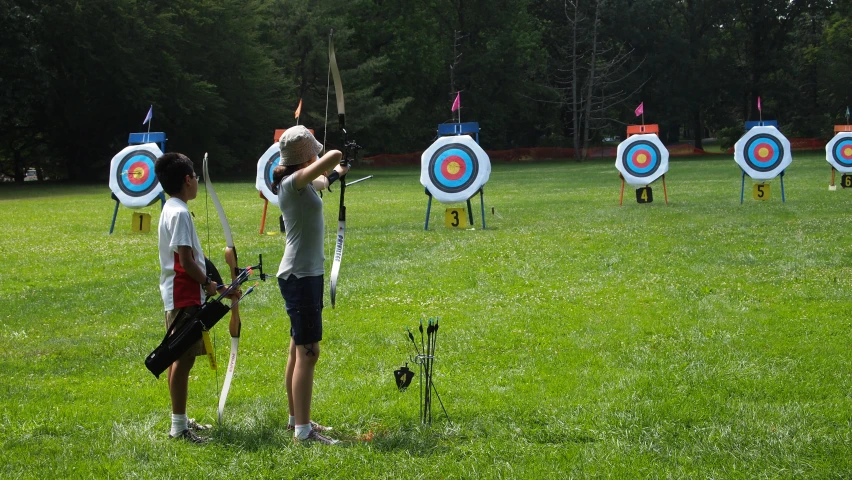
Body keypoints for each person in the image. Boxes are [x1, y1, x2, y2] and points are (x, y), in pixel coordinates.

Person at [272, 126, 349, 445]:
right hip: (300, 276)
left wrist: (338, 174)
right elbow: (331, 157)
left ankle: (296, 421)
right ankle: (304, 433)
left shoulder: (301, 183)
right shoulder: (292, 182)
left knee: (297, 349)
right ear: (305, 157)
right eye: (311, 152)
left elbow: (321, 178)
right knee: (309, 352)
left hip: (305, 275)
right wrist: (337, 156)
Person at [154, 152, 220, 444]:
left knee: (177, 358)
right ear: (188, 180)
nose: (197, 182)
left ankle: (179, 421)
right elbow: (185, 260)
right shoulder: (179, 212)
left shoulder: (172, 207)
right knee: (182, 359)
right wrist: (206, 282)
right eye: (194, 177)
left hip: (180, 292)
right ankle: (178, 427)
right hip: (184, 293)